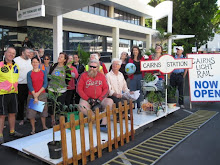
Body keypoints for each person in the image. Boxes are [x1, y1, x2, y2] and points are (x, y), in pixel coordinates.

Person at [77, 60, 113, 132]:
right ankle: (98, 120)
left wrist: (100, 99)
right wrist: (87, 99)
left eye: (94, 67)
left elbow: (106, 88)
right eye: (91, 66)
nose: (92, 68)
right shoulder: (83, 75)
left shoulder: (102, 76)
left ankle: (103, 123)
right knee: (81, 106)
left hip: (100, 98)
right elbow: (79, 89)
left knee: (110, 101)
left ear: (98, 68)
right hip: (87, 99)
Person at [0, 47, 23, 144]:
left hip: (13, 93)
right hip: (2, 94)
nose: (11, 54)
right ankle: (0, 135)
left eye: (13, 53)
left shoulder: (16, 66)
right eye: (9, 52)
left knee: (12, 113)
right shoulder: (0, 65)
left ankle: (12, 132)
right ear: (5, 53)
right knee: (2, 115)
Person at [48, 52, 71, 126]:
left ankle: (60, 121)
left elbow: (68, 79)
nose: (59, 58)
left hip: (61, 91)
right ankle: (53, 120)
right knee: (51, 106)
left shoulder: (66, 69)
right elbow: (49, 75)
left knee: (60, 106)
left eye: (61, 57)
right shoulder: (54, 65)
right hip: (51, 89)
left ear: (64, 60)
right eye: (59, 56)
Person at [27, 57, 48, 134]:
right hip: (32, 94)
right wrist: (35, 96)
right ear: (31, 63)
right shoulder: (29, 73)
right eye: (33, 62)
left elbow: (45, 84)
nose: (35, 64)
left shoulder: (43, 72)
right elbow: (29, 84)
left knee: (43, 112)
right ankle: (33, 128)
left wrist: (38, 94)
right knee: (32, 113)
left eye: (36, 62)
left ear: (39, 63)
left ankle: (44, 126)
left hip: (41, 94)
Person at [14, 47, 33, 125]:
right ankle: (21, 118)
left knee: (31, 102)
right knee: (21, 102)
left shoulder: (30, 60)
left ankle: (31, 117)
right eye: (28, 53)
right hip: (20, 85)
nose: (29, 54)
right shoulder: (16, 60)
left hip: (30, 84)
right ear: (22, 53)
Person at [127, 46, 146, 112]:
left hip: (141, 76)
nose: (135, 51)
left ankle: (139, 106)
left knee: (140, 91)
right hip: (133, 76)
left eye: (136, 50)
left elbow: (144, 66)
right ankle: (132, 106)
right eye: (134, 50)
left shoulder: (142, 58)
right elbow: (129, 68)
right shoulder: (130, 59)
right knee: (132, 91)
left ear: (138, 51)